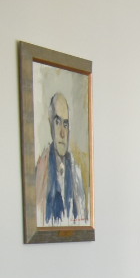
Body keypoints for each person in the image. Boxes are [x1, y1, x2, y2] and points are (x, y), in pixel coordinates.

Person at [35, 92, 88, 227]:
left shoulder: (76, 172)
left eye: (65, 124)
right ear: (50, 125)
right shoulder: (41, 171)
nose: (62, 133)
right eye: (57, 122)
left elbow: (83, 218)